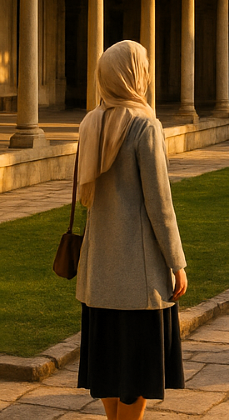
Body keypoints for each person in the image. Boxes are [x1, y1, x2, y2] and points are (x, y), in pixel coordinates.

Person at [75, 40, 188, 420]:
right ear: (134, 75)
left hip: (99, 272)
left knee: (108, 366)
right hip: (139, 277)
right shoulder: (144, 126)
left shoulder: (90, 123)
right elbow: (160, 204)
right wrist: (177, 262)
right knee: (137, 368)